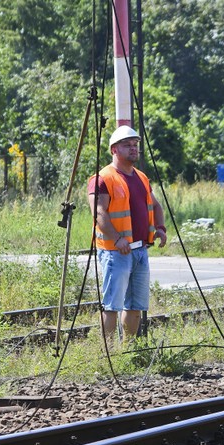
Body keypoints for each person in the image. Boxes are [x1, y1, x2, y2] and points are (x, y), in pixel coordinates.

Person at [88, 125, 167, 340]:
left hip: (140, 250)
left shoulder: (141, 177)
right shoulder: (103, 178)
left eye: (135, 145)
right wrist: (117, 239)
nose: (133, 149)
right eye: (127, 145)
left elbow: (156, 206)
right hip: (116, 252)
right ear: (114, 149)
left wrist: (160, 228)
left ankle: (129, 351)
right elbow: (99, 212)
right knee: (112, 304)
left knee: (135, 306)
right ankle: (110, 354)